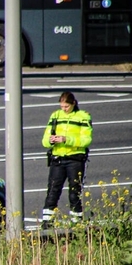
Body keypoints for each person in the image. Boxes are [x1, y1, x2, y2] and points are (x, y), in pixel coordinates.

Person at [41, 91, 92, 226]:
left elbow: (86, 140)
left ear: (73, 104)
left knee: (75, 192)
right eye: (62, 106)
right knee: (53, 190)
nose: (63, 109)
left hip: (75, 159)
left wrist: (66, 139)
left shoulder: (83, 117)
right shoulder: (55, 115)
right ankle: (47, 222)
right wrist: (51, 141)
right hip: (57, 159)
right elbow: (45, 140)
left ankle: (77, 223)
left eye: (66, 106)